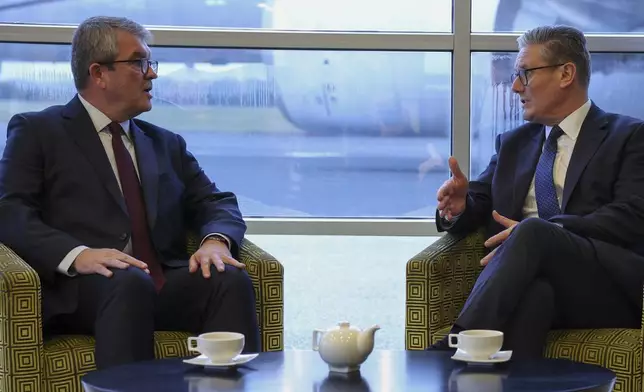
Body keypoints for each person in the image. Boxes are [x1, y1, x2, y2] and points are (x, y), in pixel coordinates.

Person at [0, 16, 259, 369]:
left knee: (228, 280)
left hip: (159, 280)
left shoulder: (165, 143)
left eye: (150, 62)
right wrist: (77, 254)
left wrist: (216, 241)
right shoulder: (38, 131)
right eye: (139, 62)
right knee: (128, 283)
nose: (152, 73)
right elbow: (10, 211)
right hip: (83, 287)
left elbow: (215, 202)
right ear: (99, 73)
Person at [432, 25, 644, 359]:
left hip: (603, 286)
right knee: (536, 296)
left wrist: (553, 230)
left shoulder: (629, 135)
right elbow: (482, 201)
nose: (515, 87)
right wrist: (460, 205)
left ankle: (453, 345)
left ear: (566, 73)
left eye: (525, 74)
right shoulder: (514, 143)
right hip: (531, 282)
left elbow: (632, 214)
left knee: (533, 230)